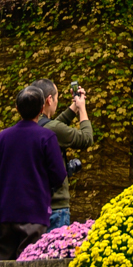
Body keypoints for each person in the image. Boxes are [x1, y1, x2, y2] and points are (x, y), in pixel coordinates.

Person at [0, 86, 67, 261]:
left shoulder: (3, 137)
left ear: (17, 108)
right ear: (42, 109)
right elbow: (59, 175)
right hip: (35, 212)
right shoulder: (46, 137)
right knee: (30, 266)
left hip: (5, 213)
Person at [36, 79, 91, 231]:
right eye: (57, 98)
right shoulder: (52, 129)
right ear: (49, 100)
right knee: (55, 254)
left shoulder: (30, 126)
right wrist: (82, 109)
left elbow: (52, 125)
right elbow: (86, 138)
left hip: (34, 206)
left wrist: (74, 106)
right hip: (56, 207)